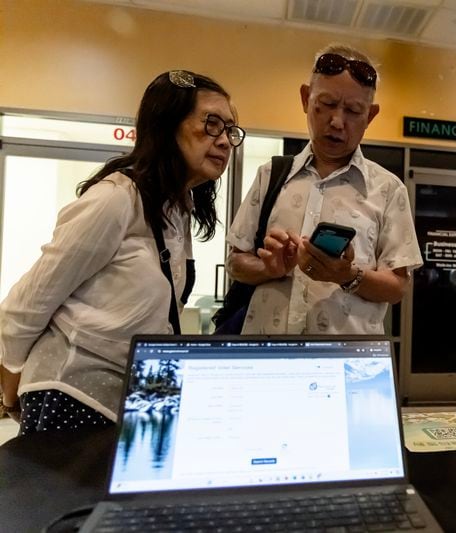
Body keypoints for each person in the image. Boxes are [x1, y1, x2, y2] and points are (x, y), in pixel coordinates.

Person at [0, 70, 243, 433]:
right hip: (74, 394)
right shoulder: (116, 199)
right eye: (211, 124)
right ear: (166, 126)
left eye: (230, 130)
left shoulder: (178, 207)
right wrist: (9, 387)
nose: (224, 141)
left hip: (137, 398)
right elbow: (31, 299)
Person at [226, 44, 422, 334]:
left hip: (345, 364)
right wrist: (270, 268)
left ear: (370, 115)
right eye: (327, 104)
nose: (337, 122)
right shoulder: (271, 175)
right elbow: (235, 261)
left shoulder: (388, 189)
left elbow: (398, 287)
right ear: (306, 98)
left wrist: (347, 275)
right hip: (269, 361)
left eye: (354, 111)